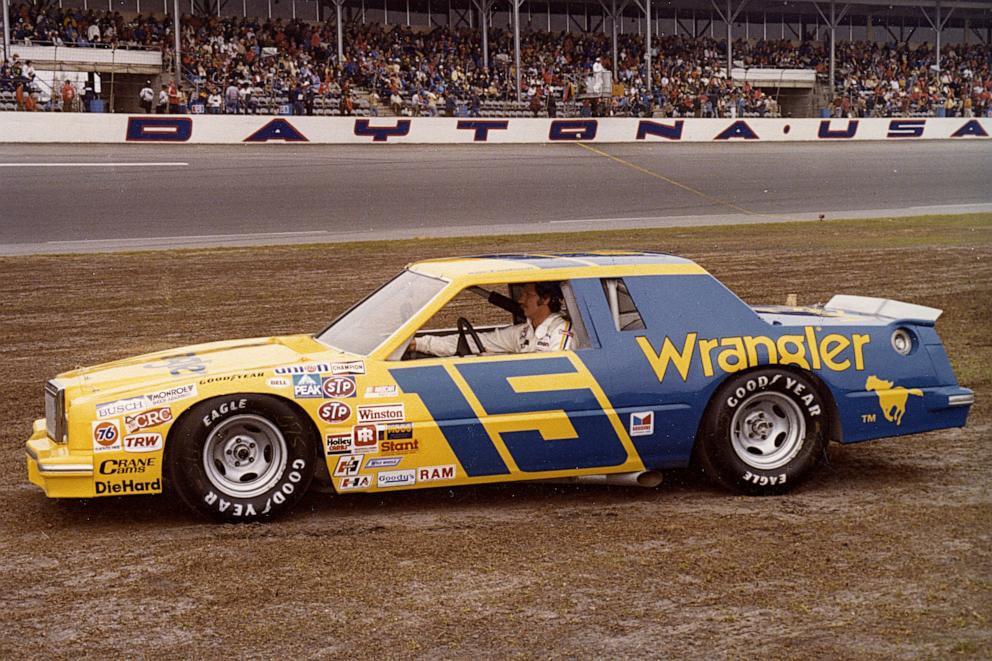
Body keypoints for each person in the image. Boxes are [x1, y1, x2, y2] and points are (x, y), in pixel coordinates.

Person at [410, 282, 573, 356]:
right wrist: (420, 343)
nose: (521, 300)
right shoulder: (523, 332)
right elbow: (477, 341)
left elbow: (557, 372)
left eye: (528, 295)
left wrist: (501, 360)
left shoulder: (561, 332)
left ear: (544, 300)